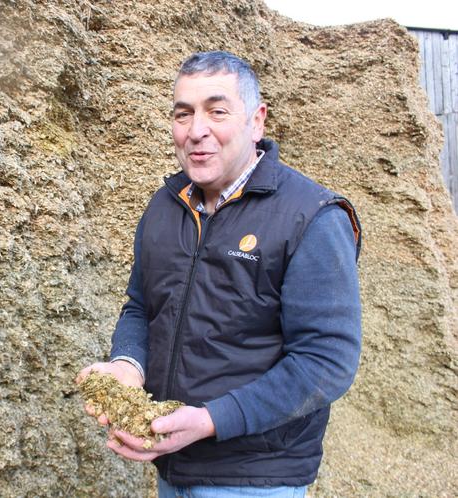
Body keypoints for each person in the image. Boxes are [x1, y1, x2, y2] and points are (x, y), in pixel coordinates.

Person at [76, 51, 362, 498]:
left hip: (256, 478)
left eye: (217, 111)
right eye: (182, 114)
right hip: (172, 467)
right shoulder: (166, 206)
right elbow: (141, 305)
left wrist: (210, 421)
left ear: (257, 120)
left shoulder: (312, 217)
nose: (196, 131)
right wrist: (127, 365)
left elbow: (326, 362)